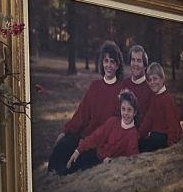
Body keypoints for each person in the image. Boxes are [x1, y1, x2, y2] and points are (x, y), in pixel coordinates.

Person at [46, 41, 125, 174]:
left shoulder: (122, 90)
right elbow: (82, 113)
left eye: (113, 61)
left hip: (101, 141)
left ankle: (65, 172)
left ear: (117, 65)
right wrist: (66, 131)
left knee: (77, 163)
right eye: (106, 61)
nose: (109, 65)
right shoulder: (95, 86)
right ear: (102, 63)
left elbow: (117, 124)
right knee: (63, 146)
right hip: (85, 134)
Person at [66, 90, 141, 172]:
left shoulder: (133, 134)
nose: (126, 113)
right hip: (96, 155)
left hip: (110, 166)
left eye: (129, 110)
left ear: (135, 113)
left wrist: (113, 161)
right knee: (72, 163)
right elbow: (95, 137)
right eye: (123, 109)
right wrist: (78, 150)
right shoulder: (113, 122)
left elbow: (132, 158)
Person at [140, 61, 181, 152]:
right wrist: (140, 135)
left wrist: (171, 144)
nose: (152, 82)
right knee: (140, 143)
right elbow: (148, 119)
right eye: (150, 80)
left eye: (155, 79)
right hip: (155, 135)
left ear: (162, 79)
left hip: (164, 137)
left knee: (154, 140)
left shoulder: (167, 99)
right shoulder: (154, 97)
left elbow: (173, 124)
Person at [122, 43, 154, 120]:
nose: (135, 64)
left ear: (145, 65)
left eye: (139, 61)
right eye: (133, 60)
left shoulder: (151, 88)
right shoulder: (124, 85)